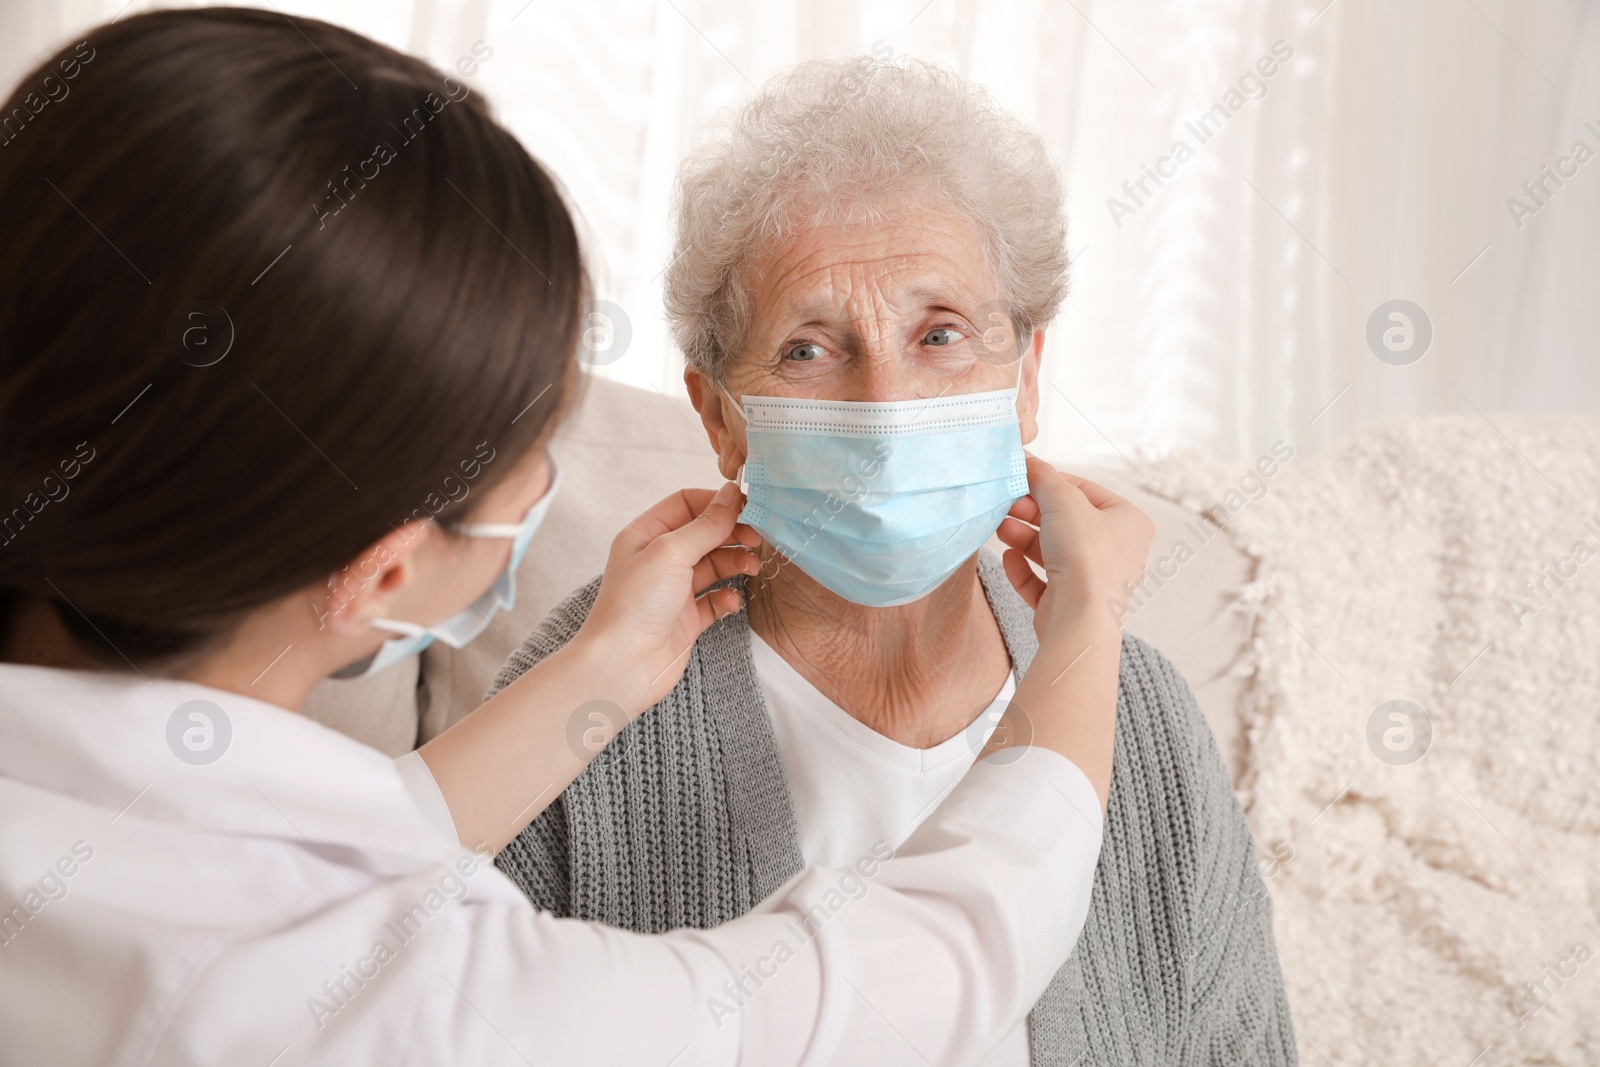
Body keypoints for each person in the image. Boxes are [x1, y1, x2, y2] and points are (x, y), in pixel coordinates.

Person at [0, 10, 1153, 1066]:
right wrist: (1086, 633)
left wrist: (594, 677)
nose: (887, 403)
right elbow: (924, 963)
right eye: (531, 444)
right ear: (386, 570)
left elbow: (284, 858)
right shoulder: (408, 994)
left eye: (943, 333)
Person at [492, 57, 1298, 1065]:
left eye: (940, 333)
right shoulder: (588, 684)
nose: (885, 409)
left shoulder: (1137, 711)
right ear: (719, 417)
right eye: (808, 348)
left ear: (1026, 377)